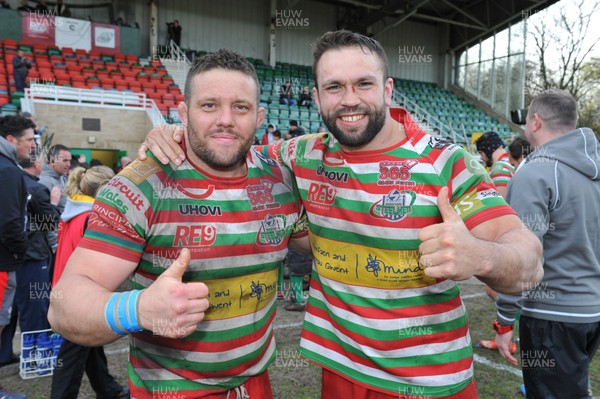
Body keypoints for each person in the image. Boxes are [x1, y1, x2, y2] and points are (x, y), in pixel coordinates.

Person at [140, 30, 544, 398]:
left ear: (387, 88)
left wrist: (483, 256)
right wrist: (176, 135)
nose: (349, 99)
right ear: (317, 97)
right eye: (334, 86)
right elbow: (226, 147)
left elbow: (528, 260)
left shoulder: (445, 161)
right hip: (340, 374)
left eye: (363, 83)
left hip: (431, 382)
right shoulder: (302, 153)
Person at [48, 49, 308, 398]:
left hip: (255, 383)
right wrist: (137, 309)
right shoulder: (139, 185)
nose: (226, 120)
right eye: (209, 105)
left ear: (259, 116)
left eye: (241, 107)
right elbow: (63, 306)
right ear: (183, 112)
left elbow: (325, 244)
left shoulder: (280, 181)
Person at [493, 89, 600, 398]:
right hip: (589, 311)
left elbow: (521, 261)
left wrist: (503, 322)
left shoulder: (537, 172)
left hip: (554, 315)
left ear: (536, 122)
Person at [50, 165, 129, 399]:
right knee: (72, 353)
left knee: (89, 343)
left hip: (66, 287)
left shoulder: (74, 213)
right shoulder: (92, 217)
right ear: (104, 189)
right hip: (79, 293)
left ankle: (107, 389)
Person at [0, 116, 34, 399]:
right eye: (30, 140)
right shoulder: (9, 170)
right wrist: (19, 251)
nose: (33, 146)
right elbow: (11, 222)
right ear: (12, 140)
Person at [16, 148, 60, 335]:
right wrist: (54, 205)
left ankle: (6, 354)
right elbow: (49, 222)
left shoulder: (14, 182)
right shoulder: (36, 188)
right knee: (36, 307)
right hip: (34, 254)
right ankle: (37, 357)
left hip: (16, 254)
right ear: (36, 164)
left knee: (17, 307)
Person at [475, 131, 515, 198]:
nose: (481, 158)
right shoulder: (510, 162)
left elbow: (501, 203)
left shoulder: (498, 169)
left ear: (488, 150)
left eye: (481, 153)